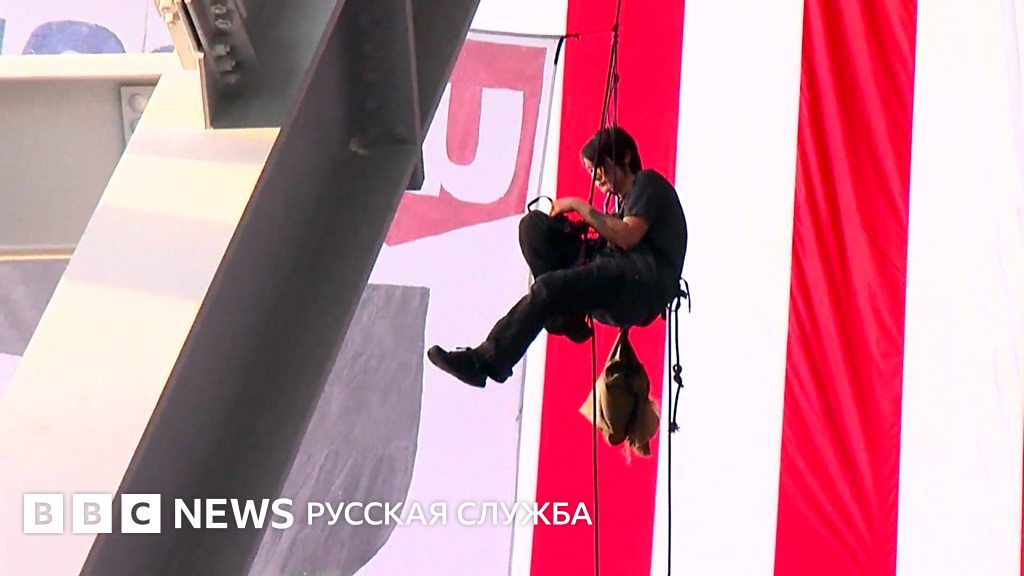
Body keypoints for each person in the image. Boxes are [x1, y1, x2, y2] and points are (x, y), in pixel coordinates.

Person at [428, 126, 687, 388]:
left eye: (599, 165)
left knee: (547, 288)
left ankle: (485, 362)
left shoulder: (647, 183)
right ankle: (563, 314)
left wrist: (577, 205)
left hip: (640, 282)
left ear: (625, 156)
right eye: (590, 170)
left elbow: (627, 236)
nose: (596, 176)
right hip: (617, 278)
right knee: (533, 227)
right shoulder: (621, 206)